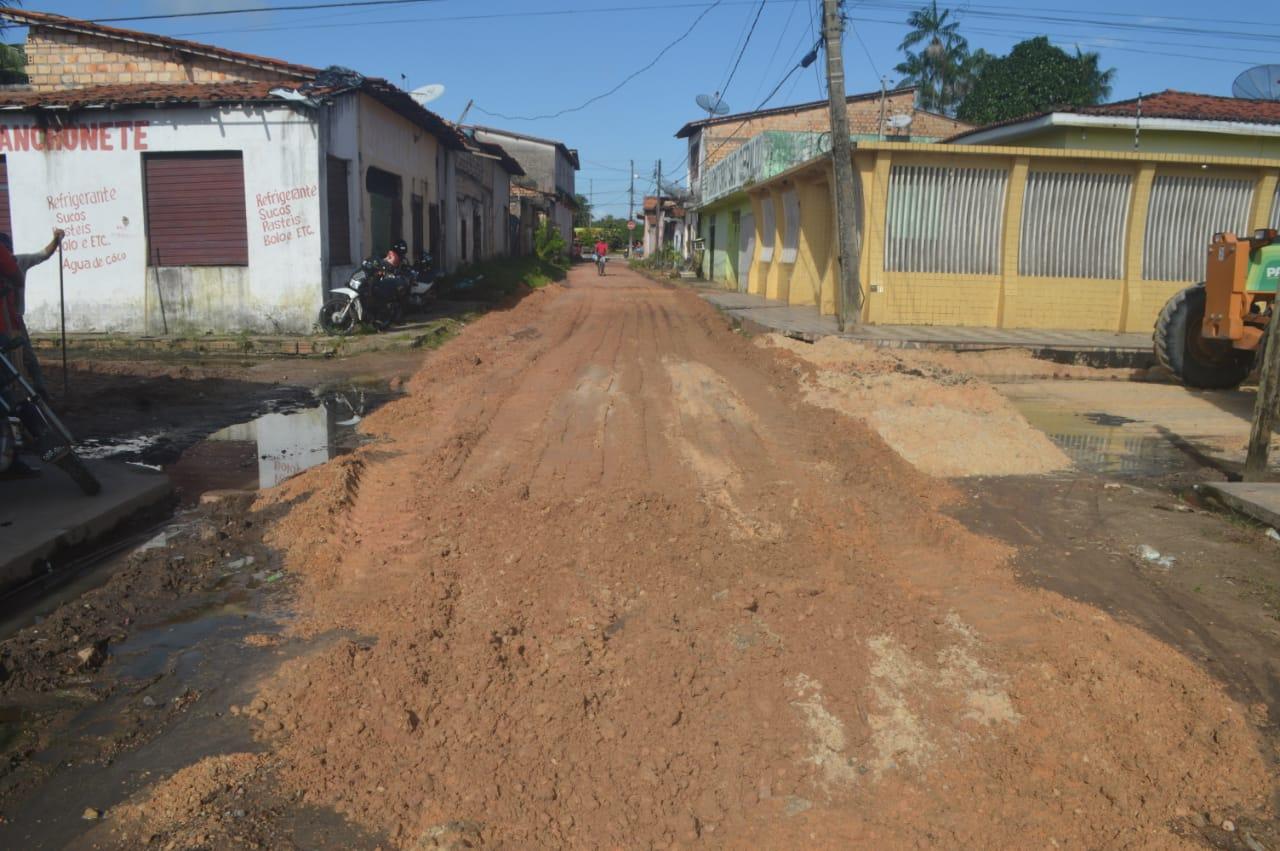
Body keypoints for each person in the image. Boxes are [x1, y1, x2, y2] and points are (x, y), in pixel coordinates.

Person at [0, 228, 64, 400]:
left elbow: (43, 254)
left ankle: (40, 388)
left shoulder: (20, 261)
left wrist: (56, 240)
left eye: (7, 251)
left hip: (16, 319)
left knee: (27, 357)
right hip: (2, 323)